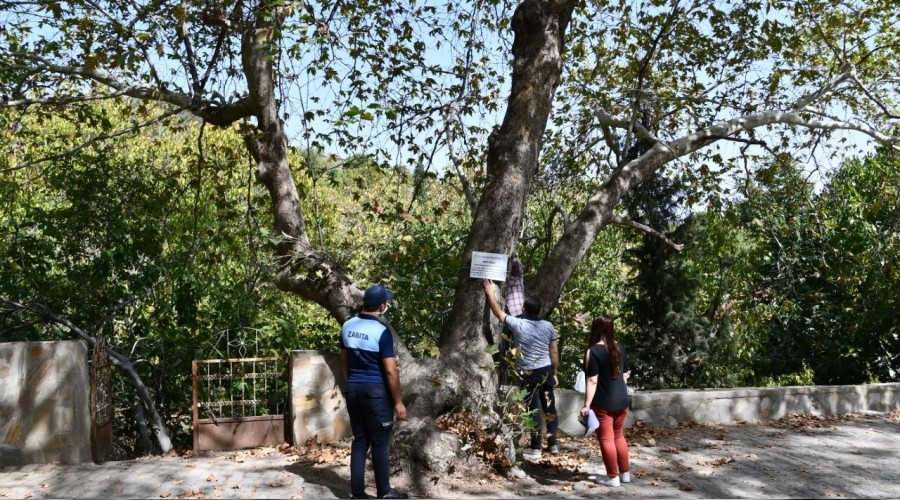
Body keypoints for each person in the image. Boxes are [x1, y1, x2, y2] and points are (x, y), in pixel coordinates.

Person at [340, 284, 409, 499]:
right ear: (382, 305)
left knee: (360, 440)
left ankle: (357, 494)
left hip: (353, 388)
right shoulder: (381, 331)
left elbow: (343, 361)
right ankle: (384, 493)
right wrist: (398, 402)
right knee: (380, 443)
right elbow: (391, 371)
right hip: (375, 393)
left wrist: (352, 383)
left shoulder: (347, 326)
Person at [483, 278, 559, 460]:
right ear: (539, 311)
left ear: (524, 309)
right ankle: (553, 444)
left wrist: (490, 293)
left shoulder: (519, 324)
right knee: (549, 406)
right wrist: (555, 373)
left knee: (533, 408)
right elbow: (554, 351)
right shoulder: (548, 326)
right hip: (546, 370)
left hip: (529, 373)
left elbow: (497, 312)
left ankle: (536, 448)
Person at [580, 315, 631, 487]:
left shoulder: (592, 351)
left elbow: (592, 381)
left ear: (595, 329)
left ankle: (612, 477)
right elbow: (624, 376)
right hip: (622, 400)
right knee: (619, 435)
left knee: (607, 439)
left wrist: (587, 405)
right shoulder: (620, 348)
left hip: (603, 403)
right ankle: (625, 474)